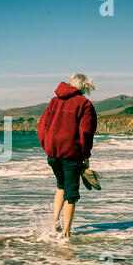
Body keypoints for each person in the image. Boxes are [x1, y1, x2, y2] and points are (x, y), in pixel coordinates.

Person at [37, 73, 97, 238]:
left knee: (60, 187)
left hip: (52, 153)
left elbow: (42, 126)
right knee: (71, 193)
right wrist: (85, 155)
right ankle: (66, 233)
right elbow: (86, 132)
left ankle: (55, 222)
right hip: (71, 155)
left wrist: (47, 146)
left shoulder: (54, 101)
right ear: (84, 87)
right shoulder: (84, 104)